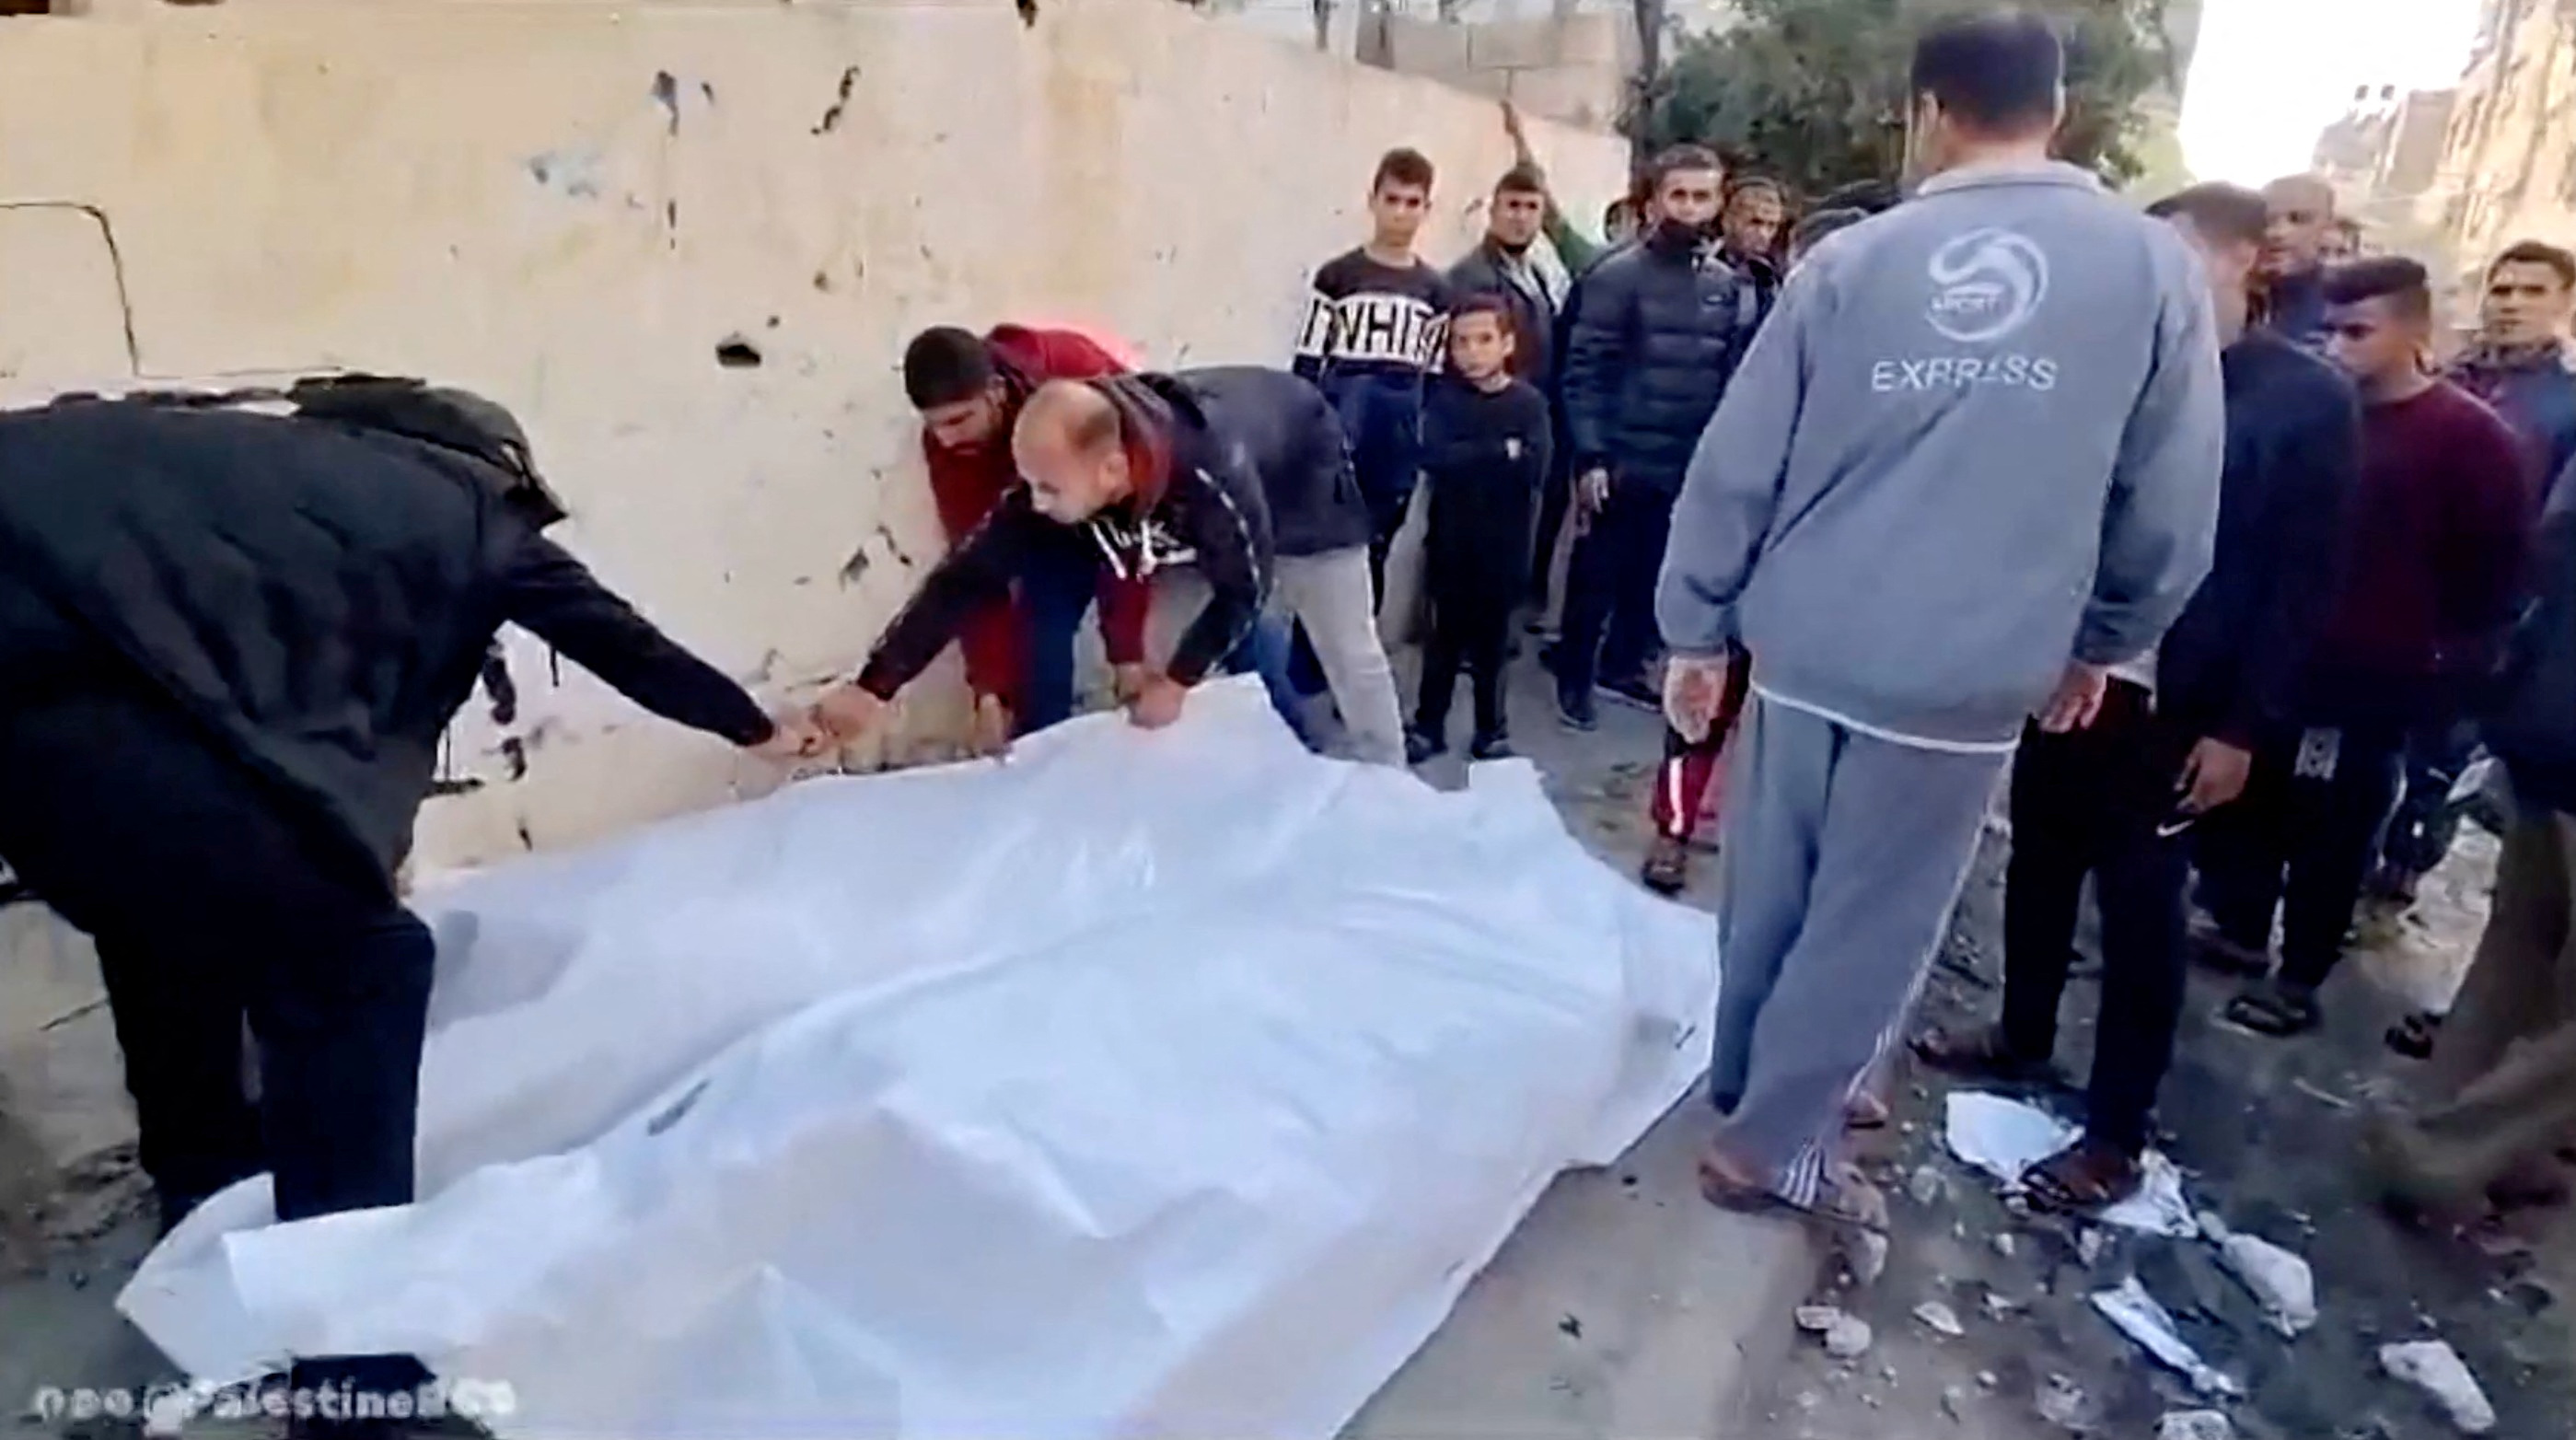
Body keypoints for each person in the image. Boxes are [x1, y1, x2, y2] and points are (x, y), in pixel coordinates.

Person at [0, 379, 810, 1432]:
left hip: (57, 713)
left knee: (167, 913)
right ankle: (359, 1379)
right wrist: (756, 725)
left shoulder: (239, 461)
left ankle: (203, 1204)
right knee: (364, 970)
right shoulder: (472, 516)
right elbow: (622, 643)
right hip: (73, 704)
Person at [1655, 11, 2224, 1223]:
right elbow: (2169, 496)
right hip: (1965, 670)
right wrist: (2106, 636)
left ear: (1926, 113)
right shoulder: (2146, 267)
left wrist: (1697, 628)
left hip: (1804, 638)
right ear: (2057, 110)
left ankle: (1744, 1084)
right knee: (1871, 916)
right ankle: (1766, 1144)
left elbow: (1736, 462)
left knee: (1770, 889)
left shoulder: (1848, 262)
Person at [1911, 183, 2361, 1210]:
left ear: (2246, 260)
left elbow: (2302, 584)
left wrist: (2245, 728)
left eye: (2176, 258)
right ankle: (2021, 1034)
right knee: (2037, 863)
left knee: (2141, 914)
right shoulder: (2114, 372)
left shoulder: (2302, 399)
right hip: (2073, 681)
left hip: (2185, 708)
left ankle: (2113, 1131)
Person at [2203, 257, 2535, 1039]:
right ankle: (2241, 928)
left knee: (2336, 824)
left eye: (2358, 331)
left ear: (2414, 333)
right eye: (2327, 330)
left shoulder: (2469, 438)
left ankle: (2301, 975)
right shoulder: (2314, 416)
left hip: (2374, 676)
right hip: (2283, 654)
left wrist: (2439, 661)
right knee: (2253, 800)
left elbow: (2494, 571)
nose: (2337, 347)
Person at [815, 367, 1404, 764]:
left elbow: (1244, 589)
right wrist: (875, 687)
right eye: (1030, 486)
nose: (1034, 504)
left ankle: (1393, 786)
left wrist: (1177, 681)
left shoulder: (1206, 470)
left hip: (1301, 470)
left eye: (1047, 488)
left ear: (1112, 472)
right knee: (1175, 661)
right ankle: (1242, 780)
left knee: (1343, 639)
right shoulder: (1075, 463)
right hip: (1194, 512)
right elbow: (966, 578)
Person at [1639, 203, 1869, 898]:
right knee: (1701, 706)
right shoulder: (1752, 334)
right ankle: (1672, 832)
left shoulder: (1892, 369)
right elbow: (1724, 464)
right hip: (1747, 559)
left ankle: (1794, 863)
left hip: (1833, 579)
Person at [2361, 482, 2576, 1225]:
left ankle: (2483, 1132)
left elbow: (2546, 547)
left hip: (2547, 726)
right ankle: (2443, 1151)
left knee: (2520, 945)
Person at [2372, 240, 2576, 911]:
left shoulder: (2565, 406)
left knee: (2437, 757)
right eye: (2503, 288)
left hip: (2491, 612)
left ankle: (2394, 876)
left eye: (2532, 292)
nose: (2511, 303)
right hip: (2398, 587)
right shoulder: (2445, 377)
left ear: (2565, 304)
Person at [1552, 143, 1758, 729]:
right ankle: (1574, 678)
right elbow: (1584, 369)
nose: (1689, 208)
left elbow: (1729, 377)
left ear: (1717, 202)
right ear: (1652, 202)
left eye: (1701, 196)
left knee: (1655, 574)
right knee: (1596, 575)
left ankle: (1624, 666)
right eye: (1678, 195)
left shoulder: (1726, 284)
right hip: (1620, 459)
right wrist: (1590, 456)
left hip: (1688, 462)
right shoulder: (1616, 277)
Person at [900, 324, 1149, 748]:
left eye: (959, 420)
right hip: (1047, 522)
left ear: (995, 391)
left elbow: (1135, 520)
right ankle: (1042, 771)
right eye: (935, 426)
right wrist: (990, 692)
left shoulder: (1076, 377)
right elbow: (973, 563)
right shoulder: (949, 449)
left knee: (1242, 610)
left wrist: (1128, 653)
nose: (947, 438)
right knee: (1041, 633)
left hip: (1136, 507)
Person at [1294, 147, 1457, 586]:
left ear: (1426, 209)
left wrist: (1421, 439)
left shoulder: (1435, 291)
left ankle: (1359, 650)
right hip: (1343, 422)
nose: (1400, 213)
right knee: (1329, 552)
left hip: (1398, 431)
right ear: (1373, 201)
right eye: (1392, 200)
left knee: (1376, 549)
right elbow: (1308, 364)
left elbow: (1435, 378)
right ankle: (1310, 654)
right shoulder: (1338, 276)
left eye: (1412, 203)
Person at [1408, 296, 1552, 764]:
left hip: (1504, 549)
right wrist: (1499, 452)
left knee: (1492, 648)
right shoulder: (1446, 403)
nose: (1472, 352)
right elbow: (1436, 459)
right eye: (1461, 342)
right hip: (1450, 543)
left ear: (1507, 344)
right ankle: (1429, 725)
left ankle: (1492, 729)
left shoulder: (1528, 404)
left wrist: (1481, 455)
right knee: (1443, 643)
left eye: (1484, 340)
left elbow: (1535, 467)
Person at [1449, 165, 1572, 388]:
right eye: (1513, 206)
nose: (1521, 217)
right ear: (1493, 211)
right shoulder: (1470, 276)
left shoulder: (1537, 276)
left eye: (1532, 207)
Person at [2258, 174, 2339, 347]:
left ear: (2328, 227)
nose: (2279, 232)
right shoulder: (2226, 292)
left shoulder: (2344, 304)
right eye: (2267, 221)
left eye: (2299, 219)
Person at [1718, 176, 1791, 318]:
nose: (1763, 234)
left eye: (1771, 225)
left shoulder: (1780, 276)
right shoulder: (1698, 266)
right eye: (1754, 223)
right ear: (1727, 220)